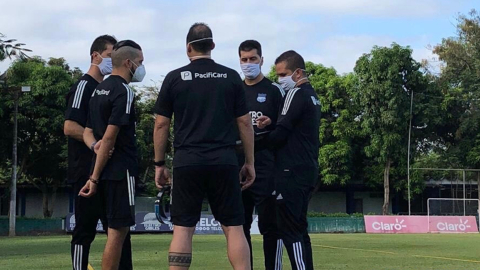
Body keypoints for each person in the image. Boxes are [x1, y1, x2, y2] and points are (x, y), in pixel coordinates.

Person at [153, 23, 255, 270]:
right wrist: (250, 162)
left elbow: (161, 125)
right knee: (233, 227)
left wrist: (159, 164)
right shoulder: (231, 77)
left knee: (183, 228)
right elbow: (244, 122)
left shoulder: (174, 78)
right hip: (224, 161)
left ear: (188, 48)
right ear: (212, 46)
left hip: (187, 162)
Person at [64, 35, 133, 270]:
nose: (113, 59)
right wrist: (96, 145)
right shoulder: (85, 86)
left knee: (119, 230)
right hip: (85, 168)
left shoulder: (109, 87)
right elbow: (70, 126)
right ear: (96, 56)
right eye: (110, 54)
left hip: (106, 171)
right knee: (84, 230)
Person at [79, 39, 145, 270]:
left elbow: (88, 132)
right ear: (129, 63)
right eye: (140, 62)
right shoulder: (124, 91)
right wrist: (94, 178)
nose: (142, 67)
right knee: (117, 233)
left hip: (103, 170)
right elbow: (110, 137)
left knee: (114, 232)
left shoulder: (98, 89)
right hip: (119, 171)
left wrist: (94, 147)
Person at [256, 50, 321, 270]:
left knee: (290, 230)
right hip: (306, 169)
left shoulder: (295, 94)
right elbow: (291, 129)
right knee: (299, 229)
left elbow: (280, 135)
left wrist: (249, 143)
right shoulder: (313, 96)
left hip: (290, 171)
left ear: (298, 72)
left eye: (283, 74)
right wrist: (273, 124)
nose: (280, 79)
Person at [237, 40, 284, 270]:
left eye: (252, 59)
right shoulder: (233, 90)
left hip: (266, 164)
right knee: (240, 226)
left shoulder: (275, 90)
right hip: (239, 164)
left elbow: (286, 128)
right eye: (244, 60)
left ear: (262, 60)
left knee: (270, 227)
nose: (248, 64)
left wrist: (272, 123)